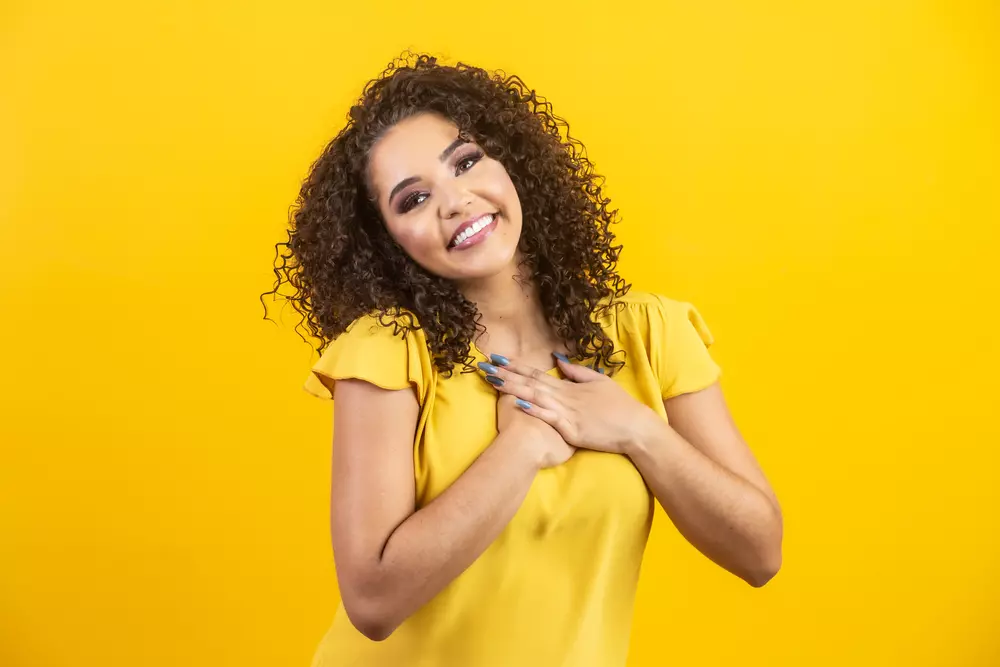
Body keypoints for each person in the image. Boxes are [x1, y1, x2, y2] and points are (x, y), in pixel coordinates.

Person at [263, 53, 782, 667]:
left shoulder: (648, 333)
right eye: (413, 199)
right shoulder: (390, 352)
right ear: (385, 243)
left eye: (465, 161)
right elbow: (372, 601)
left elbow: (760, 552)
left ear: (512, 163)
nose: (455, 201)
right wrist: (522, 448)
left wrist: (638, 429)